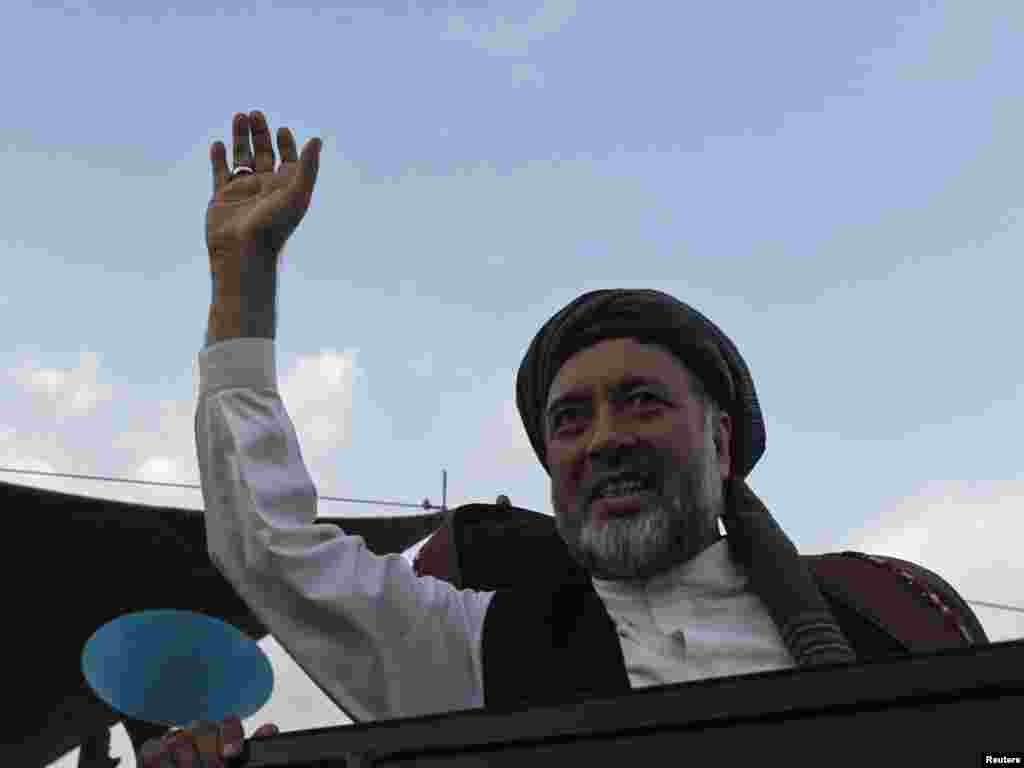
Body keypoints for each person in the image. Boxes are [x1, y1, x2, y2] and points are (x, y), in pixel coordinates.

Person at [150, 109, 987, 765]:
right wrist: (242, 281)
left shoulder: (890, 627)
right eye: (570, 420)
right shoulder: (484, 650)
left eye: (642, 402)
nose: (604, 439)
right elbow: (269, 549)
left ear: (722, 443)